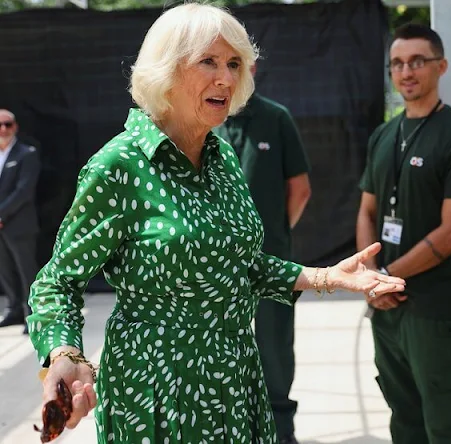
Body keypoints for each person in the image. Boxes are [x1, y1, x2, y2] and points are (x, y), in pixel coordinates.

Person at [26, 3, 405, 443]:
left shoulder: (221, 156)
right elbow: (57, 282)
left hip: (235, 378)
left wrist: (325, 276)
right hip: (157, 391)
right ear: (167, 69)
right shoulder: (119, 164)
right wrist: (64, 353)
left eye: (233, 63)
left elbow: (238, 265)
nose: (226, 77)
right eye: (208, 61)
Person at [356, 23, 451, 444]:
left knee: (446, 419)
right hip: (387, 306)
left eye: (417, 62)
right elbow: (367, 210)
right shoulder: (383, 134)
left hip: (432, 308)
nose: (406, 71)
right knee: (402, 412)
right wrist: (371, 277)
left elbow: (450, 234)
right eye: (397, 63)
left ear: (441, 66)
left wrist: (387, 275)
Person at [214, 63, 311, 444]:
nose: (228, 73)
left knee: (273, 345)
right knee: (221, 344)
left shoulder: (276, 117)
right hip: (215, 266)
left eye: (237, 62)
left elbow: (300, 188)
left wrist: (272, 235)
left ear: (252, 68)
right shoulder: (205, 120)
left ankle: (279, 429)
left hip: (271, 257)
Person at [0, 109, 40, 335]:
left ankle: (31, 315)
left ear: (15, 127)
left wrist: (1, 215)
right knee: (4, 270)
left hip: (19, 224)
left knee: (26, 272)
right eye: (0, 125)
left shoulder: (27, 153)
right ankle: (14, 309)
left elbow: (23, 191)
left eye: (8, 124)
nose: (3, 129)